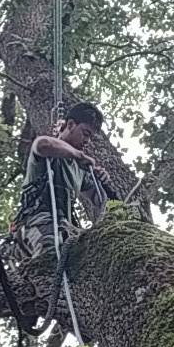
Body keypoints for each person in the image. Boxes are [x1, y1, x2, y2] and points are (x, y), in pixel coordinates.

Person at [11, 101, 113, 262]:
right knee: (51, 254)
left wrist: (101, 181)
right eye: (85, 133)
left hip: (63, 227)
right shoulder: (50, 152)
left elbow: (99, 200)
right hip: (37, 221)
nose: (87, 141)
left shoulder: (80, 169)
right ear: (71, 124)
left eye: (90, 137)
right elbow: (42, 145)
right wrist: (78, 156)